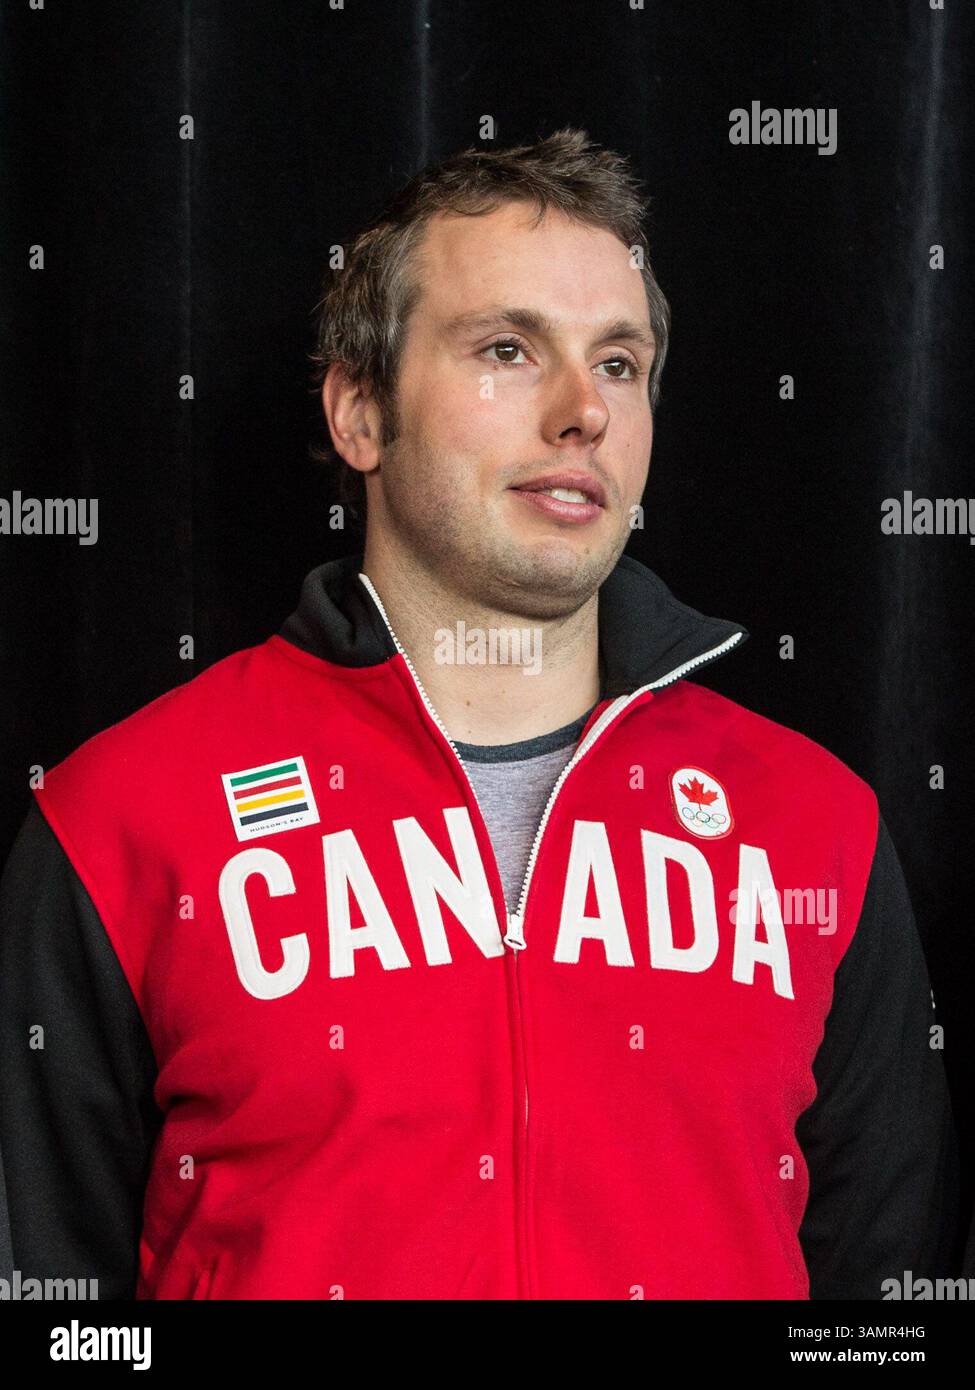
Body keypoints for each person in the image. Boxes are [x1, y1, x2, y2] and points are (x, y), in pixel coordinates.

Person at [0, 128, 958, 1300]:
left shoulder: (818, 827)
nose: (583, 414)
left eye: (619, 363)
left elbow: (885, 1301)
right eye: (509, 348)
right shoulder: (120, 821)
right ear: (358, 413)